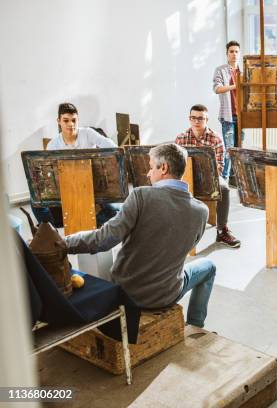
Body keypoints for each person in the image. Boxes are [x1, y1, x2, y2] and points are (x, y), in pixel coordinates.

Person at [65, 143, 216, 329]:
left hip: (127, 293)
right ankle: (195, 325)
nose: (148, 173)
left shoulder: (140, 196)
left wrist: (63, 243)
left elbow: (102, 240)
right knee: (209, 266)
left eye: (151, 167)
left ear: (164, 168)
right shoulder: (201, 211)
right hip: (166, 295)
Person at [32, 103, 120, 226]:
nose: (70, 124)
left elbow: (113, 149)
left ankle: (90, 221)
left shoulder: (88, 133)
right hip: (66, 188)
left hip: (92, 186)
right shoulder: (53, 144)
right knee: (35, 201)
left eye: (74, 120)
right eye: (66, 120)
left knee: (115, 212)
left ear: (78, 120)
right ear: (59, 121)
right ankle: (52, 229)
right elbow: (49, 174)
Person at [175, 104, 241, 247]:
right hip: (186, 178)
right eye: (193, 118)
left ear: (207, 120)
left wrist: (204, 179)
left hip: (211, 178)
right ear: (189, 119)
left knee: (224, 189)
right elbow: (176, 165)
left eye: (200, 118)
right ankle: (177, 229)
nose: (196, 121)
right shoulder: (180, 139)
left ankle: (222, 230)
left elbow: (219, 167)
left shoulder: (216, 139)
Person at [213, 40, 244, 181]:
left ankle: (235, 178)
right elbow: (217, 88)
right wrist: (234, 86)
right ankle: (223, 180)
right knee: (229, 149)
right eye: (231, 51)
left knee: (238, 149)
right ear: (227, 54)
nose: (234, 54)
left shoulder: (244, 71)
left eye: (236, 51)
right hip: (228, 116)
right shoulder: (220, 70)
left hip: (243, 116)